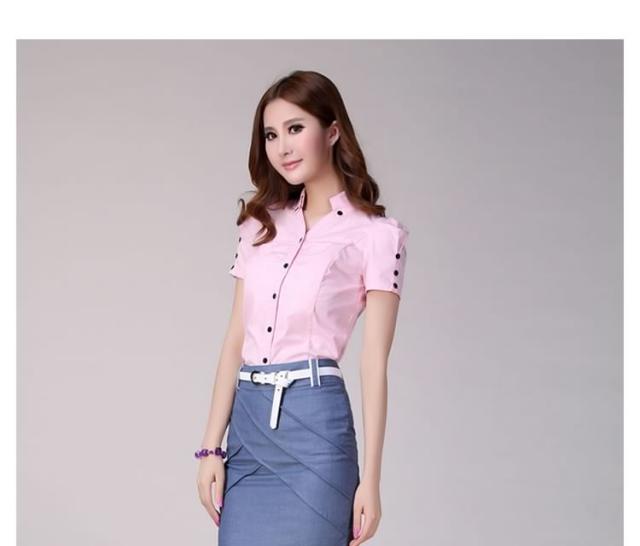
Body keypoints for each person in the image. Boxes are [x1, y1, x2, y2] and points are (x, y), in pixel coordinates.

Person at [196, 70, 409, 546]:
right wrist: (210, 447)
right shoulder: (259, 226)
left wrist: (371, 480)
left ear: (332, 132)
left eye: (295, 128)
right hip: (248, 430)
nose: (282, 147)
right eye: (271, 135)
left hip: (316, 431)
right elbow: (235, 340)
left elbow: (374, 362)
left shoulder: (376, 235)